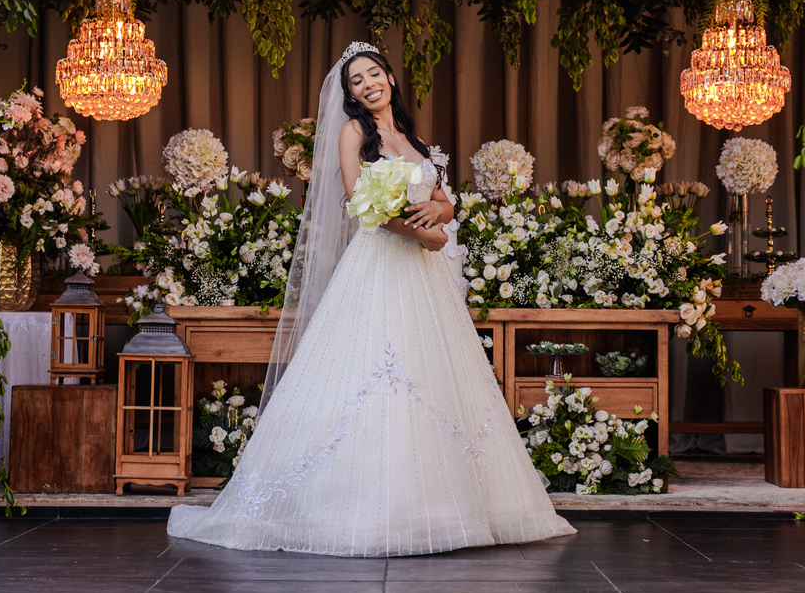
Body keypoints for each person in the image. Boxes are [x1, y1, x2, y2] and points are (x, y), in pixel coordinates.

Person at [167, 42, 575, 556]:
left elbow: (447, 202)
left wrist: (438, 214)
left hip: (425, 280)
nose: (367, 84)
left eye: (374, 73)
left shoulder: (414, 138)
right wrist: (422, 235)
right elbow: (363, 206)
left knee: (430, 376)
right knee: (370, 374)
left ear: (389, 78)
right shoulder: (353, 133)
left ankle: (442, 509)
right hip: (379, 266)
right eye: (356, 80)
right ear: (350, 93)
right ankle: (354, 509)